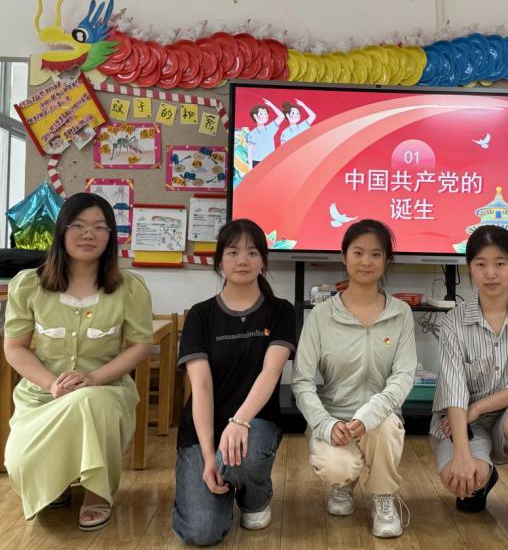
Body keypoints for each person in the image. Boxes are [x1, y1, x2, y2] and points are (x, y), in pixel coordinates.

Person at [2, 193, 153, 529]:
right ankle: (56, 481)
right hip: (43, 396)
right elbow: (15, 348)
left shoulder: (129, 288)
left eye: (99, 227)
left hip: (106, 391)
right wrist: (50, 383)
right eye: (79, 226)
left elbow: (140, 346)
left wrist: (94, 378)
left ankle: (98, 493)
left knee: (88, 401)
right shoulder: (28, 285)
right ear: (62, 230)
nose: (88, 234)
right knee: (18, 461)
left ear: (110, 236)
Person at [172, 219, 296, 546]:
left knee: (243, 455)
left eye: (252, 252)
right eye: (233, 252)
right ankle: (221, 491)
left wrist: (239, 422)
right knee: (201, 532)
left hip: (255, 424)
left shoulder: (280, 311)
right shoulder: (200, 315)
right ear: (219, 260)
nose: (243, 260)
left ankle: (254, 498)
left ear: (263, 261)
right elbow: (201, 387)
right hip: (203, 429)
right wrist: (208, 456)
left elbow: (271, 372)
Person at [291, 219, 416, 538]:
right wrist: (325, 423)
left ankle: (383, 495)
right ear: (344, 256)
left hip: (381, 418)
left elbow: (404, 375)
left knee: (385, 427)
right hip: (334, 418)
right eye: (358, 252)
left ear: (387, 260)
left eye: (376, 254)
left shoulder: (400, 313)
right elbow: (302, 381)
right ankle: (342, 485)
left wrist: (371, 413)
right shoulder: (321, 315)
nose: (366, 261)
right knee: (338, 467)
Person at [431, 225, 508, 543]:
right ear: (469, 267)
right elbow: (454, 389)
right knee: (463, 480)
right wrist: (462, 453)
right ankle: (484, 476)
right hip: (462, 421)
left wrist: (479, 407)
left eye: (500, 263)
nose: (491, 273)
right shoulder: (454, 321)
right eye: (480, 264)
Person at [246, 99, 284, 167]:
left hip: (270, 160)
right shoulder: (253, 133)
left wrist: (271, 105)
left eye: (266, 114)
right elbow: (250, 151)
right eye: (261, 114)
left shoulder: (270, 128)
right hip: (257, 162)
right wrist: (250, 167)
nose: (264, 116)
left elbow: (281, 116)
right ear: (255, 116)